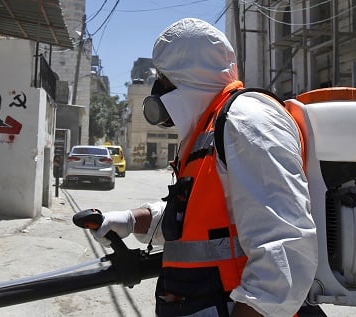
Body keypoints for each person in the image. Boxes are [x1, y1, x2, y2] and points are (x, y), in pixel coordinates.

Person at [92, 18, 320, 317]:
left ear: (188, 76)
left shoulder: (247, 120)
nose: (158, 87)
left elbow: (285, 246)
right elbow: (201, 221)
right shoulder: (207, 130)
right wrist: (130, 220)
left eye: (164, 76)